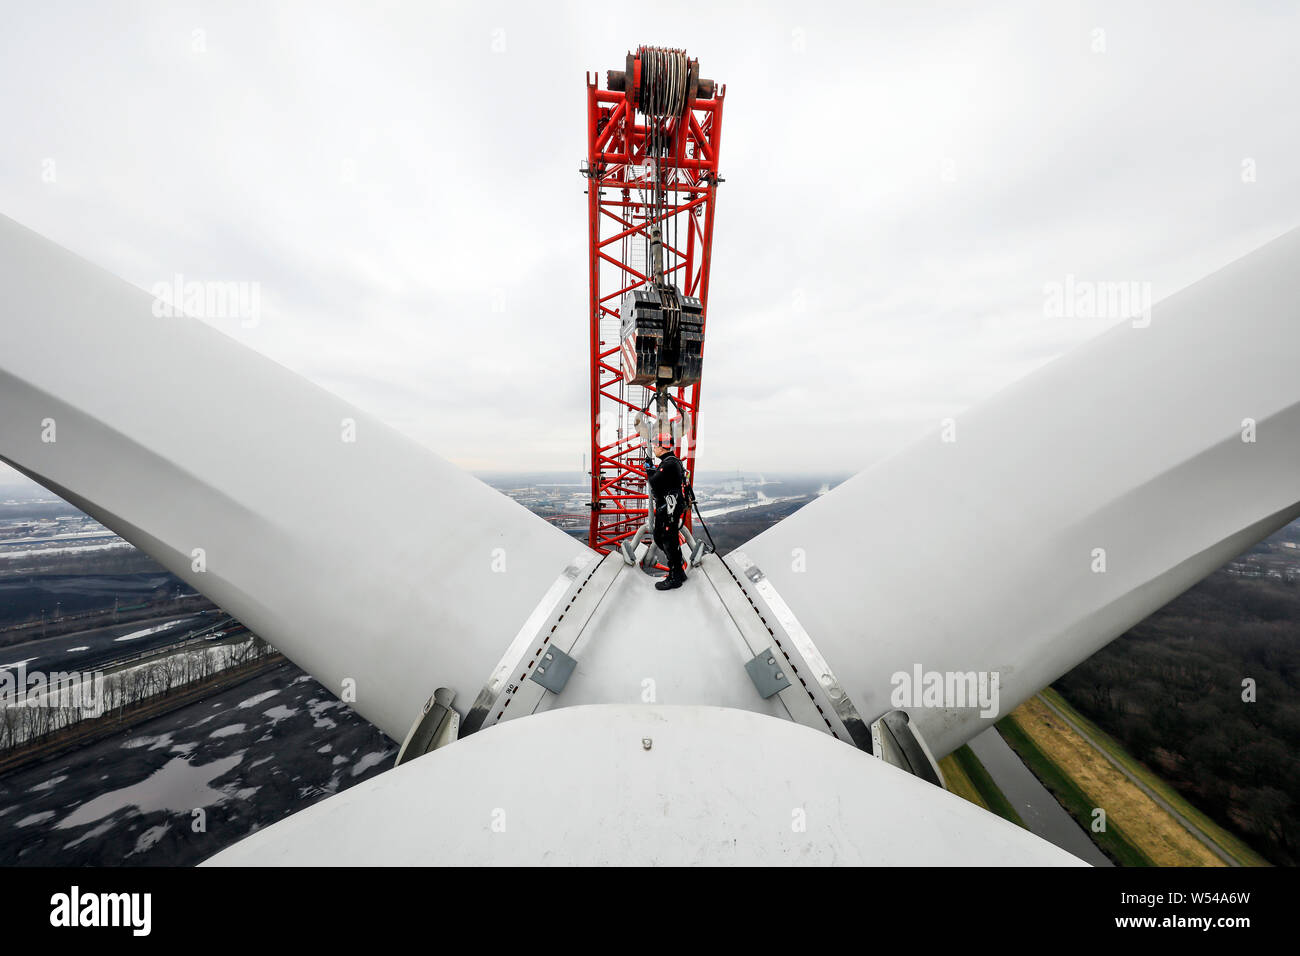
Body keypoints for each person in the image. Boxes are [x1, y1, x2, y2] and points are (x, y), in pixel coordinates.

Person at [645, 434, 688, 590]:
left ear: (662, 447)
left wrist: (649, 470)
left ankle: (675, 577)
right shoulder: (671, 462)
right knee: (662, 537)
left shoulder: (669, 464)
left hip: (670, 508)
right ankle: (678, 571)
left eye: (655, 446)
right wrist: (653, 470)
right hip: (670, 506)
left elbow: (655, 483)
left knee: (668, 540)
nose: (654, 449)